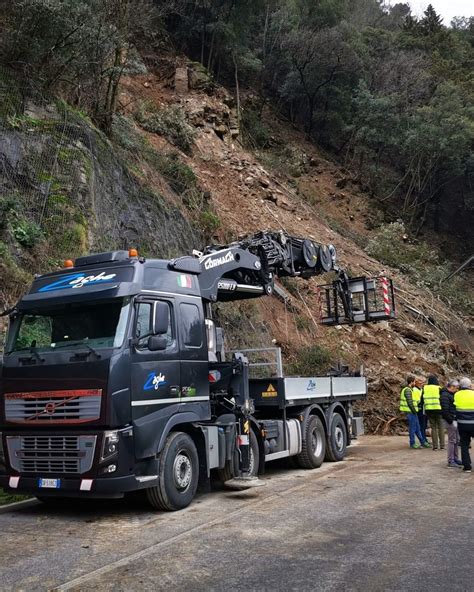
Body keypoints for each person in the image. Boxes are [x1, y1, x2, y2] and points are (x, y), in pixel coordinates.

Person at [400, 375, 430, 449]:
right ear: (411, 382)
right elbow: (410, 402)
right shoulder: (407, 390)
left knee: (417, 428)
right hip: (410, 411)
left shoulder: (410, 389)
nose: (415, 383)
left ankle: (422, 442)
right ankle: (412, 443)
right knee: (413, 428)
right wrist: (414, 410)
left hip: (413, 411)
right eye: (414, 381)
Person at [453, 377, 474, 473]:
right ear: (470, 385)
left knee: (464, 445)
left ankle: (467, 466)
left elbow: (455, 407)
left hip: (462, 424)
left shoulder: (457, 394)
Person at [440, 379, 462, 468]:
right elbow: (445, 410)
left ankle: (455, 458)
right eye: (456, 388)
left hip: (453, 419)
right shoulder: (445, 395)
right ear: (452, 387)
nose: (457, 390)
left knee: (455, 440)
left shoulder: (449, 394)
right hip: (450, 421)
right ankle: (451, 460)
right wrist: (451, 421)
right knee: (452, 441)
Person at [423, 374, 444, 451]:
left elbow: (422, 399)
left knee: (433, 427)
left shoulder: (425, 388)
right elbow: (442, 399)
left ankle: (435, 446)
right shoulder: (439, 388)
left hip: (429, 410)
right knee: (440, 427)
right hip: (438, 409)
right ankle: (442, 445)